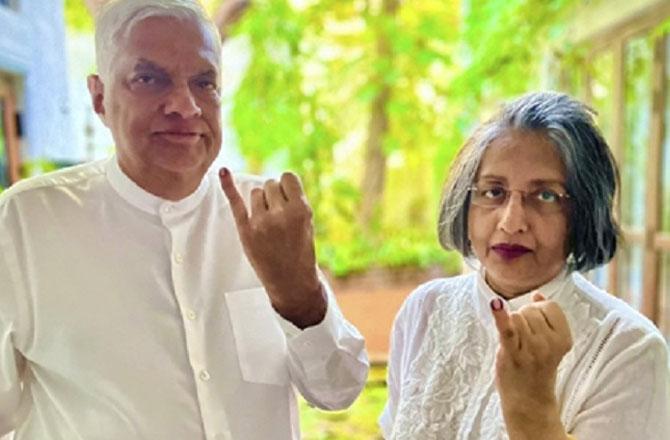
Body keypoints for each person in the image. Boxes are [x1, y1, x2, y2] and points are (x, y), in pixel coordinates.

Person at [0, 1, 368, 438]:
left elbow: (338, 390)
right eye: (149, 79)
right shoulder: (28, 223)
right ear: (99, 97)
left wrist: (300, 297)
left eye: (203, 82)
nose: (184, 105)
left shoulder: (267, 214)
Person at [379, 91, 670, 439]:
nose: (512, 221)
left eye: (545, 195)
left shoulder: (627, 350)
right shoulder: (424, 310)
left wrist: (533, 407)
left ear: (582, 213)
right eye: (494, 192)